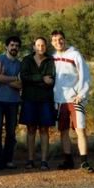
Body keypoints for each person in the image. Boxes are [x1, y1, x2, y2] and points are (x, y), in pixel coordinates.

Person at [51, 30, 94, 173]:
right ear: (52, 42)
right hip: (59, 100)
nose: (59, 42)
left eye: (61, 39)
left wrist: (82, 93)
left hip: (75, 99)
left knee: (80, 130)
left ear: (65, 40)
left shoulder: (75, 55)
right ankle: (68, 160)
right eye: (55, 40)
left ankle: (84, 162)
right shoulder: (52, 57)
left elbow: (85, 75)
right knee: (63, 131)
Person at [19, 37, 56, 170]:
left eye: (43, 45)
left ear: (46, 47)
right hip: (29, 99)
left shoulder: (50, 60)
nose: (41, 47)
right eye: (38, 45)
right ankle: (30, 159)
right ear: (34, 47)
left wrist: (34, 80)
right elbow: (24, 76)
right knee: (30, 129)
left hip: (45, 99)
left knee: (44, 130)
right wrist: (41, 78)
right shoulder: (27, 60)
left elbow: (51, 79)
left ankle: (44, 161)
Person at [0, 36, 22, 171]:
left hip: (13, 102)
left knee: (11, 132)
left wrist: (4, 78)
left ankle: (8, 160)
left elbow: (21, 85)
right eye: (12, 45)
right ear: (6, 46)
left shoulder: (20, 64)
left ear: (19, 48)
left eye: (16, 46)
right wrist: (14, 78)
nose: (14, 47)